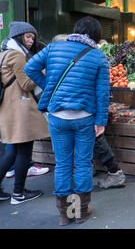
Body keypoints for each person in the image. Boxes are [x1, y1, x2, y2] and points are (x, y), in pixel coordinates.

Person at [25, 16, 110, 226]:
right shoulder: (98, 56)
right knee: (82, 163)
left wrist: (50, 86)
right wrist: (101, 120)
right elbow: (102, 92)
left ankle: (64, 214)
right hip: (84, 118)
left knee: (62, 164)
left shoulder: (54, 48)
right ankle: (80, 212)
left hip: (57, 117)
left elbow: (30, 68)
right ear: (97, 36)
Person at [48, 33, 126, 189]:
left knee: (91, 142)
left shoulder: (62, 59)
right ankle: (81, 200)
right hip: (79, 111)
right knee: (85, 149)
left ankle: (113, 172)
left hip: (76, 111)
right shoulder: (78, 58)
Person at [0, 21, 50, 204]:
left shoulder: (3, 54)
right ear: (18, 36)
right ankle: (19, 194)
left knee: (12, 151)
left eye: (33, 37)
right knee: (24, 152)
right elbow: (27, 84)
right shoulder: (18, 55)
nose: (31, 40)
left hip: (8, 108)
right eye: (28, 36)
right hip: (20, 110)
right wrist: (42, 72)